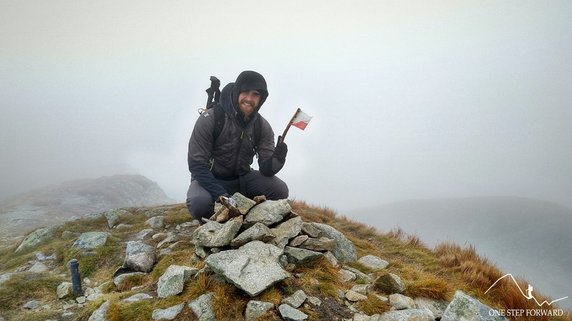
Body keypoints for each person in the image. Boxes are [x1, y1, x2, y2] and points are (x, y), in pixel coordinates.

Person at [186, 70, 289, 222]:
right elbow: (196, 164)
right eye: (245, 92)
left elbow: (267, 169)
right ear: (236, 92)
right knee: (199, 205)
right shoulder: (211, 118)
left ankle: (245, 211)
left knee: (280, 190)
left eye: (255, 94)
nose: (249, 99)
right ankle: (220, 217)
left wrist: (279, 156)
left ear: (261, 99)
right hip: (209, 179)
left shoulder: (262, 126)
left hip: (242, 178)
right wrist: (221, 196)